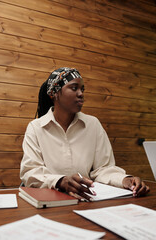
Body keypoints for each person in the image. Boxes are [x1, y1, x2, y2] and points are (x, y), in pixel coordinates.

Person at [20, 67, 149, 201]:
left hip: (85, 201)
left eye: (82, 89)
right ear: (54, 93)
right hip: (50, 202)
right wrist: (60, 181)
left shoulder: (93, 124)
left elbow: (103, 168)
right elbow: (30, 171)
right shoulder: (35, 128)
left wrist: (125, 180)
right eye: (74, 88)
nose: (81, 94)